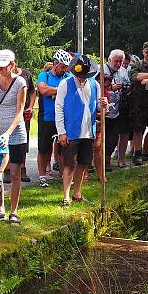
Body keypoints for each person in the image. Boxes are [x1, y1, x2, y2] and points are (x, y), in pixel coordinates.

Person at [56, 55, 107, 206]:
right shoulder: (65, 84)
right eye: (80, 76)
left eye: (84, 76)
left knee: (83, 163)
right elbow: (59, 108)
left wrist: (104, 104)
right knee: (69, 164)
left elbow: (99, 108)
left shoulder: (95, 85)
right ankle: (66, 197)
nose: (82, 78)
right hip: (71, 131)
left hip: (88, 131)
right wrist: (61, 132)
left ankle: (77, 193)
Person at [0, 50, 27, 224]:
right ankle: (0, 206)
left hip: (16, 133)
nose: (1, 69)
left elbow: (20, 111)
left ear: (12, 64)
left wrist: (8, 133)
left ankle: (14, 210)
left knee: (15, 172)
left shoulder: (20, 82)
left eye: (4, 66)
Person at [37, 50, 72, 185]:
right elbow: (43, 90)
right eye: (62, 66)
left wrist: (54, 89)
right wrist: (61, 89)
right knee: (44, 148)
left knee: (64, 148)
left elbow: (72, 90)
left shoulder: (68, 76)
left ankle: (65, 175)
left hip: (63, 118)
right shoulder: (44, 75)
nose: (64, 70)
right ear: (55, 64)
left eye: (66, 67)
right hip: (47, 117)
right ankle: (42, 176)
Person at [102, 49, 132, 169]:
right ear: (109, 60)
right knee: (100, 139)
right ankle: (97, 163)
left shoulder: (123, 71)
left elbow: (128, 85)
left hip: (117, 110)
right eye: (116, 61)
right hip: (102, 110)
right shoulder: (101, 70)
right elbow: (95, 87)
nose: (119, 64)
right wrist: (110, 87)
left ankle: (107, 160)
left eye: (121, 61)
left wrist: (126, 88)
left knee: (113, 139)